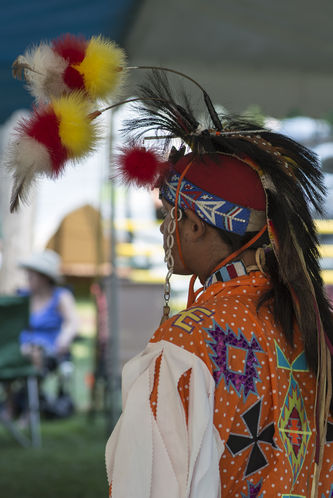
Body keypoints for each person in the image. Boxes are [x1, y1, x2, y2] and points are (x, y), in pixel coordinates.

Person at [105, 72, 333, 497]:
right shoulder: (318, 325)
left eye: (166, 217)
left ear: (192, 225)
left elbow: (149, 485)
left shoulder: (187, 344)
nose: (161, 232)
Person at [18, 249, 78, 372]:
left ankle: (33, 388)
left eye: (32, 274)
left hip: (50, 347)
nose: (27, 277)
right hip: (21, 346)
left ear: (44, 277)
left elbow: (73, 322)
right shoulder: (22, 297)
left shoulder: (61, 297)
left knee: (36, 352)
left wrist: (64, 339)